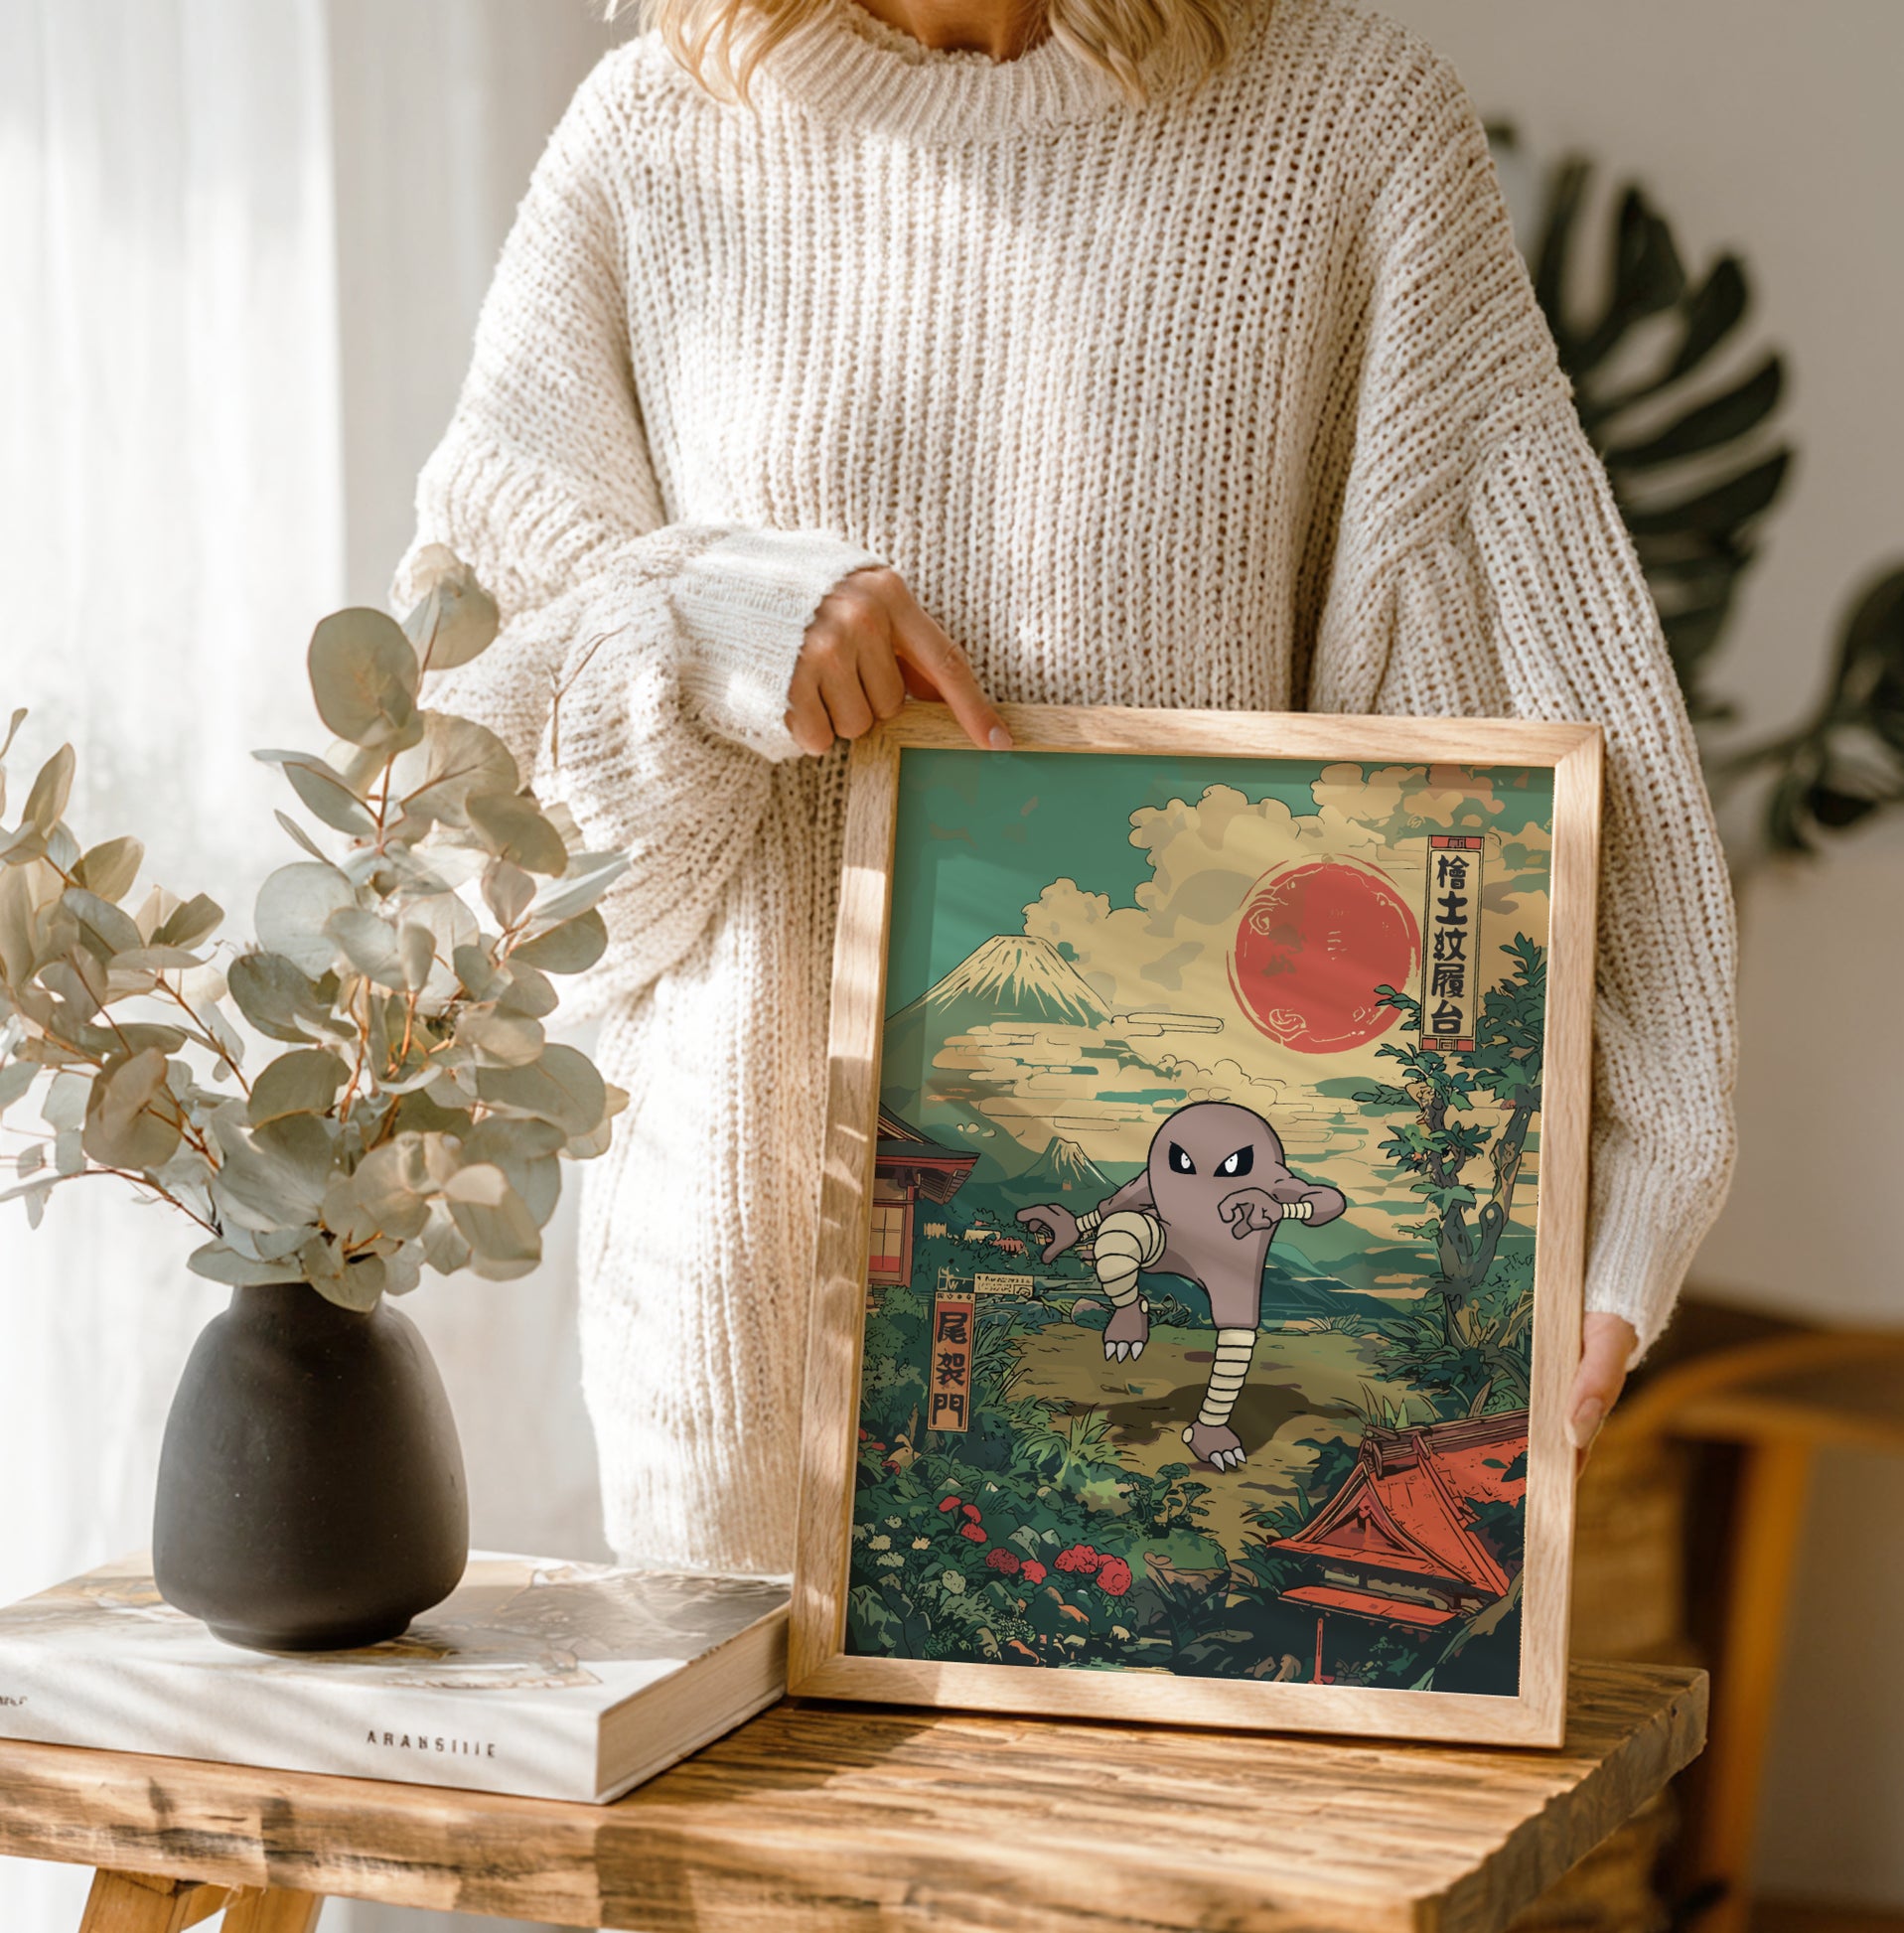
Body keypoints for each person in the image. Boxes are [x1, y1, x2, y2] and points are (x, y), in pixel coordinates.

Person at [391, 0, 1737, 1577]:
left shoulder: (1344, 127)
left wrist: (1628, 1172)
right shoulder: (651, 140)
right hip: (736, 1351)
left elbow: (1518, 707)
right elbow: (467, 819)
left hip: (1209, 1422)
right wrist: (706, 621)